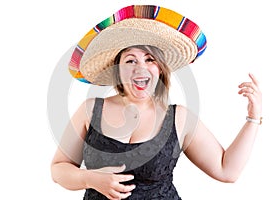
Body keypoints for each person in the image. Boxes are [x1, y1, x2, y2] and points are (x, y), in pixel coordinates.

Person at [51, 5, 262, 200]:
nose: (140, 68)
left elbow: (227, 170)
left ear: (159, 69)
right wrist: (90, 179)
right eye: (130, 60)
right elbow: (59, 168)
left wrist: (253, 117)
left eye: (149, 59)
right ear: (118, 69)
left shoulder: (179, 117)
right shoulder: (91, 109)